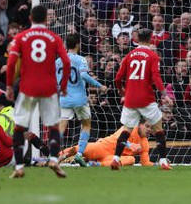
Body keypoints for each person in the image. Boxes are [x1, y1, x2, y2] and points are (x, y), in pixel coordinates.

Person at [6, 5, 71, 178]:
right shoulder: (54, 37)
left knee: (19, 127)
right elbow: (66, 61)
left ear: (30, 18)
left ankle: (19, 166)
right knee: (53, 126)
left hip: (28, 88)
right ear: (46, 20)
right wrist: (63, 86)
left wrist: (9, 86)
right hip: (49, 88)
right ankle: (54, 160)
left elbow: (11, 63)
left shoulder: (21, 37)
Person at [112, 28, 171, 170]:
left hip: (130, 99)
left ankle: (115, 159)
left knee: (126, 129)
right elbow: (156, 77)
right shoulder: (153, 55)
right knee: (158, 128)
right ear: (151, 38)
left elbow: (118, 77)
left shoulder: (129, 55)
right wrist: (164, 94)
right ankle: (163, 161)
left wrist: (121, 90)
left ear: (137, 39)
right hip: (146, 98)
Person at [56, 33, 108, 167]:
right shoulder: (81, 59)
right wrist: (99, 86)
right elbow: (84, 75)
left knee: (61, 127)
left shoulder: (58, 61)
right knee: (86, 125)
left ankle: (53, 155)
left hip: (64, 99)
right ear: (78, 44)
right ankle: (79, 154)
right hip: (80, 99)